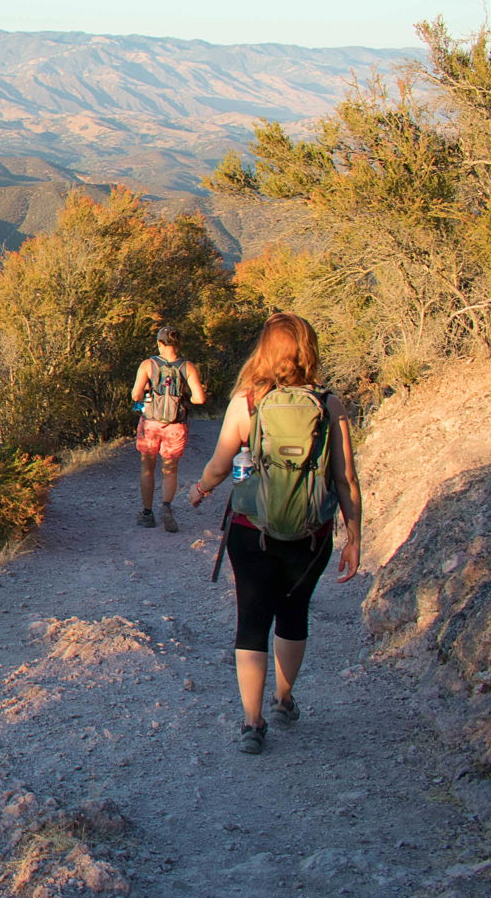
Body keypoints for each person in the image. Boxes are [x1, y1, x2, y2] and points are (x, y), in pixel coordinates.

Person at [185, 312, 363, 756]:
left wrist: (202, 488)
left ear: (263, 351)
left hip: (252, 530)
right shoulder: (329, 404)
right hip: (312, 533)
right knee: (293, 613)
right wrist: (355, 535)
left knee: (252, 619)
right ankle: (284, 700)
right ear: (309, 351)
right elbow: (346, 479)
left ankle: (251, 722)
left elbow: (221, 465)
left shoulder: (246, 402)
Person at [129, 326, 206, 531]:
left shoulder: (148, 364)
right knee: (170, 470)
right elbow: (199, 398)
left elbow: (136, 395)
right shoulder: (187, 366)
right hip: (175, 425)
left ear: (160, 343)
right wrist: (181, 398)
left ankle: (147, 513)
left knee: (147, 468)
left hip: (150, 424)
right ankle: (166, 507)